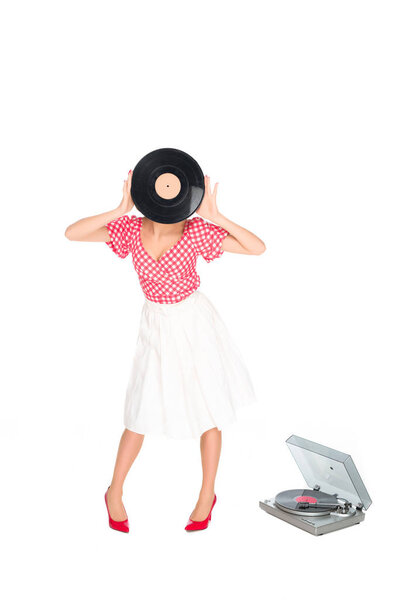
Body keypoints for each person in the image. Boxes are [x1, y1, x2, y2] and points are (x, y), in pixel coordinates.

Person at [65, 169, 266, 533]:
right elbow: (72, 233)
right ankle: (114, 491)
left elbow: (257, 247)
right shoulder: (130, 229)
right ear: (147, 191)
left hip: (193, 323)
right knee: (139, 409)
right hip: (155, 323)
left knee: (208, 408)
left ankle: (207, 495)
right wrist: (119, 208)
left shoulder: (196, 232)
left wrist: (216, 217)